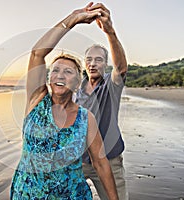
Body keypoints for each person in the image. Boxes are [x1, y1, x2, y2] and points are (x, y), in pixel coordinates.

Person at [10, 3, 119, 200]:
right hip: (28, 194)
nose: (60, 75)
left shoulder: (86, 119)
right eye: (56, 70)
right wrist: (73, 19)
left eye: (68, 72)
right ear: (49, 78)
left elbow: (101, 163)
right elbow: (37, 53)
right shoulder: (37, 100)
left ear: (78, 83)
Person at [75, 3, 129, 200]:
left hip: (109, 161)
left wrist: (110, 32)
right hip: (78, 162)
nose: (92, 63)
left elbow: (121, 68)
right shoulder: (75, 91)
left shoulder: (111, 86)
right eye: (89, 59)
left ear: (105, 64)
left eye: (98, 60)